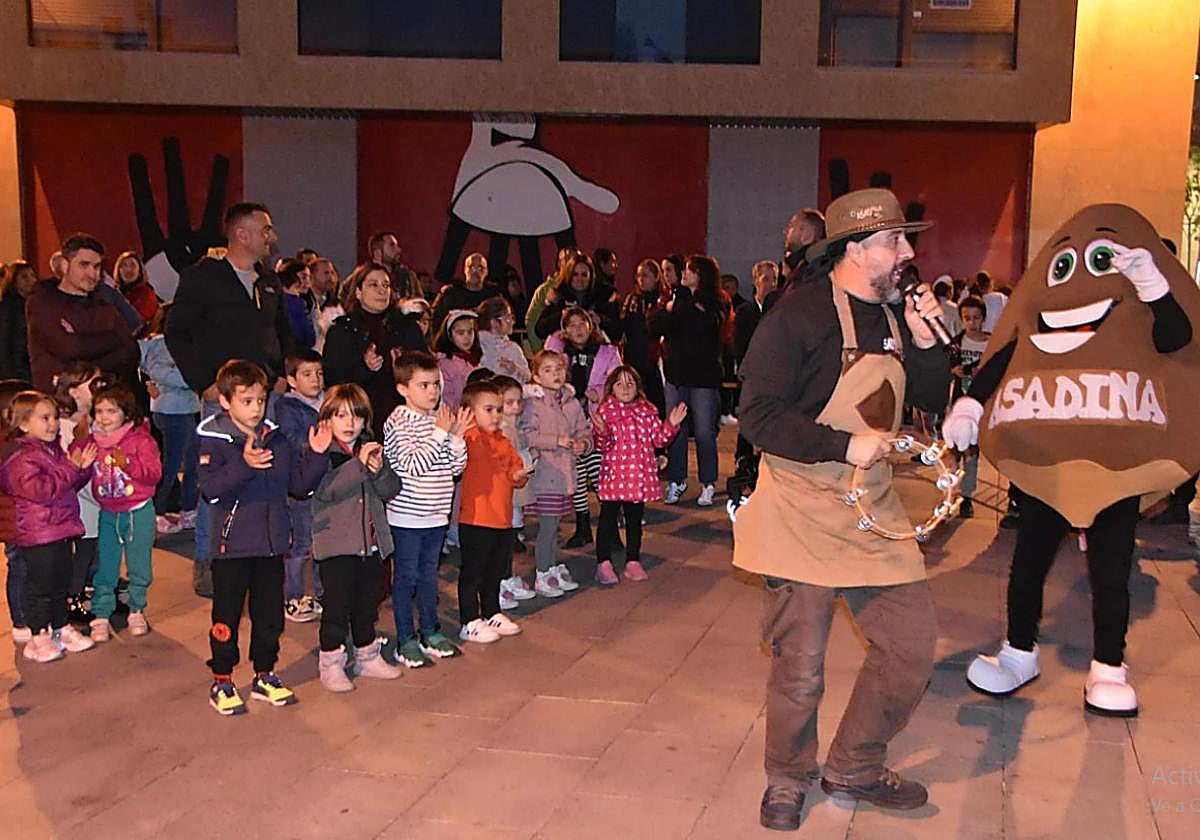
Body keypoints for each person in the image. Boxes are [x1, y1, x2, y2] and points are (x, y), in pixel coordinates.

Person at [735, 188, 950, 830]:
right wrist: (843, 443)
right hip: (800, 508)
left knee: (910, 649)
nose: (908, 252)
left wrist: (927, 342)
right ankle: (786, 778)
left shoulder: (892, 315)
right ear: (855, 249)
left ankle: (854, 764)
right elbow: (758, 416)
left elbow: (929, 400)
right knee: (800, 671)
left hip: (874, 512)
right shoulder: (796, 317)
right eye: (895, 241)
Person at [943, 204, 1200, 719]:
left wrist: (1151, 286)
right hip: (1048, 460)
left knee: (1110, 570)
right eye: (1063, 265)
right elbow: (1009, 347)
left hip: (1117, 460)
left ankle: (1109, 666)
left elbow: (1176, 339)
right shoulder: (1039, 309)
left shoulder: (1138, 300)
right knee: (1027, 564)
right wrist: (972, 403)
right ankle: (1019, 651)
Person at [166, 202, 294, 598]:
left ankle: (260, 553)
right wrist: (203, 381)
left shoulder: (267, 281)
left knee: (265, 473)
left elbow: (282, 332)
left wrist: (282, 374)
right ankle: (210, 559)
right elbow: (177, 333)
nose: (271, 237)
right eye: (265, 229)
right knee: (220, 479)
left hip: (267, 396)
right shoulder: (202, 278)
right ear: (242, 233)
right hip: (222, 400)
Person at [196, 359, 329, 716]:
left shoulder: (277, 438)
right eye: (246, 401)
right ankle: (222, 678)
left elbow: (298, 487)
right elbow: (209, 490)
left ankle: (264, 673)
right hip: (231, 548)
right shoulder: (215, 440)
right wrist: (244, 466)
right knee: (226, 615)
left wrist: (316, 455)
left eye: (259, 400)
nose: (255, 408)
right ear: (225, 401)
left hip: (271, 544)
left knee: (269, 615)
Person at [310, 383, 403, 692]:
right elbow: (327, 491)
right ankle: (331, 661)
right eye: (341, 416)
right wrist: (360, 466)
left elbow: (390, 490)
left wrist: (378, 470)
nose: (349, 423)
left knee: (367, 603)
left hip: (371, 545)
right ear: (327, 419)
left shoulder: (369, 448)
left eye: (356, 417)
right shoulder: (323, 451)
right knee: (336, 607)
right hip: (336, 546)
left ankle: (367, 653)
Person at [384, 351, 470, 668]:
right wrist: (441, 433)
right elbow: (412, 465)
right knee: (406, 578)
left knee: (429, 578)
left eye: (436, 384)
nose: (433, 391)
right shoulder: (398, 421)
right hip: (407, 518)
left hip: (436, 515)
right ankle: (405, 638)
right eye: (424, 385)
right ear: (403, 388)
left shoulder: (439, 419)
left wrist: (457, 439)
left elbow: (454, 467)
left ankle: (430, 630)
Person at [0, 391, 98, 662]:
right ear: (23, 424)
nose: (53, 423)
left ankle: (60, 627)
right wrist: (70, 467)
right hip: (38, 533)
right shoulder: (20, 457)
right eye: (44, 418)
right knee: (40, 587)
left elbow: (65, 486)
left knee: (59, 584)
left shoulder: (52, 450)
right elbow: (41, 491)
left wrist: (81, 469)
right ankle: (38, 636)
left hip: (61, 528)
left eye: (55, 417)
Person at [74, 383, 161, 642]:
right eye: (99, 411)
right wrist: (79, 458)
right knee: (107, 564)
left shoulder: (141, 440)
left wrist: (129, 464)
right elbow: (77, 471)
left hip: (138, 510)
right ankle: (101, 613)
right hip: (108, 511)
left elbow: (154, 474)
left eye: (111, 411)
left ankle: (136, 609)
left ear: (126, 413)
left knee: (138, 564)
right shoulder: (92, 440)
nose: (104, 417)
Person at [590, 366, 686, 584]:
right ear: (611, 388)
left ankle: (633, 560)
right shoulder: (606, 412)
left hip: (638, 477)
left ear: (638, 388)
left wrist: (671, 425)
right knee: (607, 519)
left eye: (630, 383)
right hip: (614, 475)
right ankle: (602, 563)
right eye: (620, 384)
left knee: (635, 521)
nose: (625, 388)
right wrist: (601, 430)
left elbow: (659, 440)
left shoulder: (647, 411)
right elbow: (602, 446)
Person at [457, 380, 531, 643]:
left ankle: (491, 611)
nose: (496, 415)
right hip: (476, 518)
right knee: (472, 572)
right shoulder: (468, 438)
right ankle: (468, 619)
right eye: (488, 409)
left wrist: (519, 475)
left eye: (499, 410)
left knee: (494, 571)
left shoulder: (503, 441)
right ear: (469, 411)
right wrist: (459, 430)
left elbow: (514, 470)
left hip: (502, 518)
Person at [652, 254, 727, 507]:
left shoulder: (715, 301)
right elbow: (656, 324)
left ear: (702, 275)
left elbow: (707, 326)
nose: (685, 273)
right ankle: (676, 479)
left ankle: (708, 482)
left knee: (705, 432)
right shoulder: (675, 297)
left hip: (704, 378)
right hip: (676, 375)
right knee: (675, 430)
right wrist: (678, 309)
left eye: (691, 270)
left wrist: (681, 312)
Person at [545, 307, 621, 547]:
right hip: (568, 424)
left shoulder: (607, 352)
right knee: (575, 477)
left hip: (597, 422)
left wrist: (598, 394)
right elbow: (544, 370)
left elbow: (617, 381)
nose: (578, 329)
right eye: (572, 325)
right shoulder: (559, 354)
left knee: (600, 475)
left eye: (582, 323)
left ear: (591, 326)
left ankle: (610, 530)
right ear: (564, 330)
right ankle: (583, 525)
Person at [322, 263, 424, 440]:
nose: (381, 291)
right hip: (361, 423)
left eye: (385, 285)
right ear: (358, 292)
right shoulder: (343, 330)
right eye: (373, 285)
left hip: (406, 422)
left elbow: (427, 370)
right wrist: (365, 368)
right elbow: (334, 382)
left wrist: (403, 370)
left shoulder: (407, 327)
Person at [26, 234, 139, 392]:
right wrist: (112, 338)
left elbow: (130, 353)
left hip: (101, 406)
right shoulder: (43, 303)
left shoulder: (104, 307)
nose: (92, 274)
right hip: (58, 404)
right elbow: (68, 348)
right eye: (84, 265)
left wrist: (81, 352)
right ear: (65, 265)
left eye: (97, 267)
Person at [520, 350, 589, 598]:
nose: (555, 374)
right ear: (537, 377)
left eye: (559, 368)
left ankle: (552, 566)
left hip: (566, 474)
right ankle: (542, 571)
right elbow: (527, 434)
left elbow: (584, 429)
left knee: (557, 525)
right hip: (546, 474)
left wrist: (583, 443)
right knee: (548, 527)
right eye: (548, 370)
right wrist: (555, 440)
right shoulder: (533, 404)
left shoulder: (570, 402)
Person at [274, 347, 326, 623]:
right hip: (301, 484)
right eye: (307, 374)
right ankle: (293, 597)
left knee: (323, 542)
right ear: (292, 380)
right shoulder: (287, 406)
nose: (315, 379)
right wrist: (317, 445)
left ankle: (320, 593)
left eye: (318, 373)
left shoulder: (328, 402)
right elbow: (292, 440)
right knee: (301, 543)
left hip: (326, 484)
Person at [52, 363, 106, 626]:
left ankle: (89, 589)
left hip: (98, 498)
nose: (100, 389)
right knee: (82, 551)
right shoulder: (61, 427)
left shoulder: (98, 420)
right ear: (74, 391)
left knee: (94, 550)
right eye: (93, 384)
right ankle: (72, 597)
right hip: (80, 501)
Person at [138, 305, 199, 534]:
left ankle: (189, 509)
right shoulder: (158, 344)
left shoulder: (188, 342)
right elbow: (161, 372)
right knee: (171, 463)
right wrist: (191, 377)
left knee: (193, 461)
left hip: (189, 407)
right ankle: (158, 511)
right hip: (170, 410)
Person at [732, 260, 780, 478]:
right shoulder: (745, 311)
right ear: (755, 281)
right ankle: (742, 459)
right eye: (766, 279)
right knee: (748, 418)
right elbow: (740, 346)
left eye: (775, 279)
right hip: (751, 374)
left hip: (776, 374)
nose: (770, 284)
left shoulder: (782, 309)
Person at [492, 374, 537, 605]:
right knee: (505, 537)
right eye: (509, 402)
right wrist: (530, 456)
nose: (516, 407)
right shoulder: (501, 429)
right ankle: (499, 581)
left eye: (519, 401)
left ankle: (506, 576)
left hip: (514, 492)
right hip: (505, 492)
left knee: (511, 536)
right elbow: (509, 460)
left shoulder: (514, 427)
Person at [946, 296, 988, 518]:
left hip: (981, 406)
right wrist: (954, 370)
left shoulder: (991, 343)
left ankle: (967, 496)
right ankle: (950, 493)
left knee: (971, 453)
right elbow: (945, 368)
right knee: (953, 452)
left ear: (983, 319)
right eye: (967, 318)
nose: (972, 323)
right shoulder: (955, 344)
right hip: (958, 402)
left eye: (976, 318)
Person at [0, 379, 32, 645]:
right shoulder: (9, 446)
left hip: (23, 518)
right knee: (19, 568)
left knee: (27, 568)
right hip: (15, 520)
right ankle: (21, 621)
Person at [534, 252, 622, 346]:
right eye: (575, 274)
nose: (579, 279)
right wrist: (561, 316)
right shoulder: (559, 296)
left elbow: (618, 332)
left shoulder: (604, 296)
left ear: (591, 276)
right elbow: (540, 330)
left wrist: (601, 320)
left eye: (584, 275)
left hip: (597, 352)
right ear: (569, 275)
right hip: (566, 353)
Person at [619, 259, 669, 417]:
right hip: (633, 356)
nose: (641, 279)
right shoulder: (631, 300)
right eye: (639, 276)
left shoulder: (662, 300)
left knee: (656, 400)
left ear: (656, 277)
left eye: (645, 275)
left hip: (654, 358)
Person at [524, 248, 577, 355]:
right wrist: (540, 352)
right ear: (559, 263)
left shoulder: (584, 289)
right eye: (567, 259)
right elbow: (531, 322)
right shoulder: (545, 290)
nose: (571, 264)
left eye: (575, 260)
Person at [431, 253, 496, 332]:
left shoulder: (493, 297)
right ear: (465, 270)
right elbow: (435, 320)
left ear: (486, 272)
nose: (475, 272)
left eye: (480, 268)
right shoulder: (450, 293)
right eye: (471, 267)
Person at [435, 309, 482, 409]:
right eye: (460, 333)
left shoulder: (474, 359)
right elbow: (451, 399)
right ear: (449, 335)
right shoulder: (445, 363)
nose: (467, 337)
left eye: (470, 332)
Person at [0, 260, 38, 381]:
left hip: (29, 363)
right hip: (15, 365)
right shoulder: (8, 307)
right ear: (13, 280)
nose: (31, 281)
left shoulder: (35, 304)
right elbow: (4, 340)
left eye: (32, 276)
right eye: (24, 277)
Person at [477, 297, 530, 382]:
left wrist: (515, 369)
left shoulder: (513, 347)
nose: (512, 321)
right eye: (507, 318)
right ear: (493, 322)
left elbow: (527, 376)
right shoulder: (479, 347)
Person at [780, 208, 826, 290]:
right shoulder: (800, 266)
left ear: (807, 233)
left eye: (791, 226)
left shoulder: (810, 270)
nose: (785, 231)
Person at [367, 231, 420, 300]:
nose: (398, 250)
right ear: (377, 253)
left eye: (397, 246)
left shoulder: (407, 276)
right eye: (392, 245)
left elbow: (420, 302)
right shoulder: (363, 277)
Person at [279, 260, 317, 349]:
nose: (308, 282)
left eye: (309, 277)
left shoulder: (309, 301)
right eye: (303, 277)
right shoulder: (297, 304)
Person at [114, 251, 159, 325]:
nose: (128, 269)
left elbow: (138, 322)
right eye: (124, 265)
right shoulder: (113, 294)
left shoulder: (147, 294)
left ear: (140, 272)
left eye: (133, 265)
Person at [310, 258, 343, 352]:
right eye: (326, 273)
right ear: (312, 275)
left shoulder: (336, 303)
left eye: (332, 273)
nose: (331, 277)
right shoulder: (305, 302)